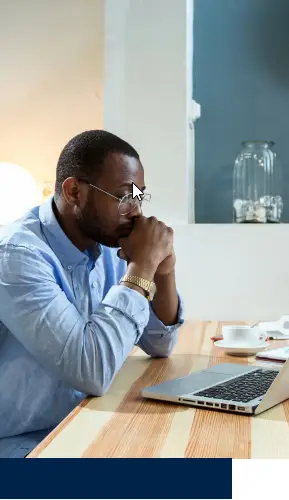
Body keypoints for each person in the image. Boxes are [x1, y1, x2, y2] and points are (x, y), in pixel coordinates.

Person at [0, 130, 184, 458]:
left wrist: (162, 268)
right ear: (74, 191)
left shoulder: (104, 245)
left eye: (139, 197)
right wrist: (142, 265)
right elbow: (91, 371)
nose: (136, 212)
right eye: (124, 197)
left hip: (82, 426)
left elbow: (160, 343)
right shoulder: (18, 256)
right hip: (24, 447)